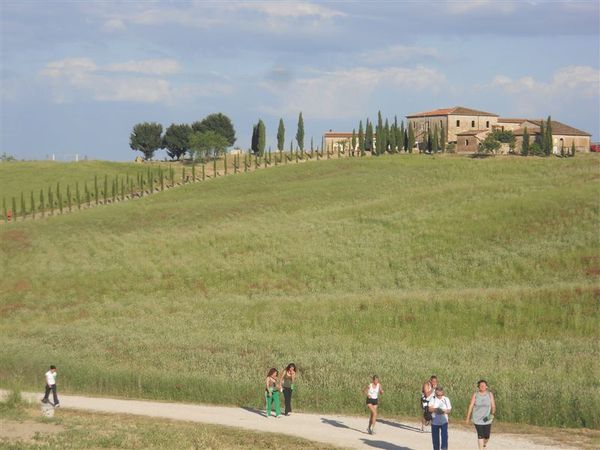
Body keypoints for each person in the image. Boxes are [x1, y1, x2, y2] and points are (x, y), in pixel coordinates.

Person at [465, 380, 496, 450]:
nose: (482, 386)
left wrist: (492, 414)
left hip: (487, 418)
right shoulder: (475, 394)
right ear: (478, 387)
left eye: (484, 385)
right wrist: (467, 418)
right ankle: (481, 448)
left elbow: (493, 406)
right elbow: (471, 406)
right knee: (480, 435)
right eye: (481, 385)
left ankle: (484, 444)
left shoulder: (490, 394)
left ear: (486, 386)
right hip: (477, 419)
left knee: (487, 436)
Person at [428, 386, 451, 450]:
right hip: (434, 422)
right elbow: (429, 409)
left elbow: (449, 410)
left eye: (441, 395)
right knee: (435, 440)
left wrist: (443, 411)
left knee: (444, 438)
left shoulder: (446, 399)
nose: (440, 396)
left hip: (444, 422)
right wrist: (436, 410)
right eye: (438, 395)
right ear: (435, 393)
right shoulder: (433, 399)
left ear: (443, 393)